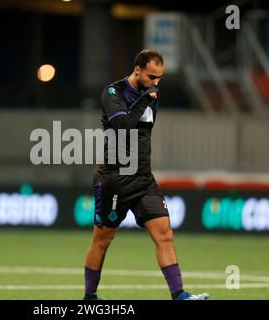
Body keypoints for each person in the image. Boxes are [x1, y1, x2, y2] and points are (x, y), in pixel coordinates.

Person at [83, 49, 209, 300]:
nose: (156, 82)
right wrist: (145, 99)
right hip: (115, 179)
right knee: (102, 240)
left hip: (143, 179)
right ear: (137, 70)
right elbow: (121, 127)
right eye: (152, 76)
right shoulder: (113, 92)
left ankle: (180, 295)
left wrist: (148, 96)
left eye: (160, 77)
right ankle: (90, 297)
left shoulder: (151, 94)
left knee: (165, 233)